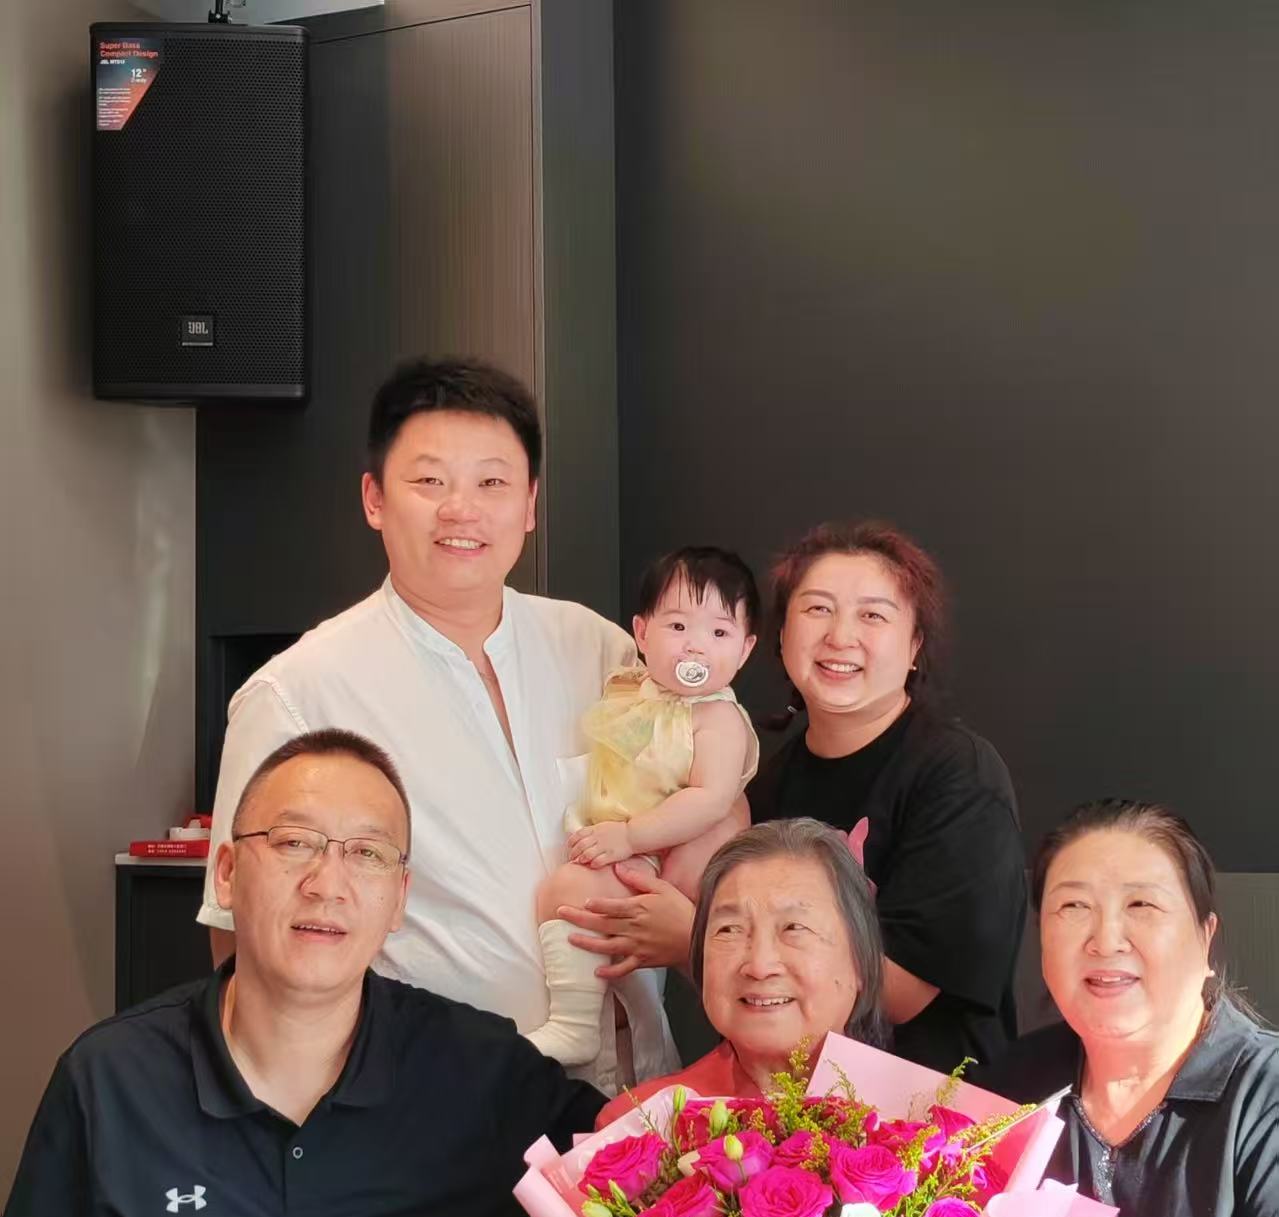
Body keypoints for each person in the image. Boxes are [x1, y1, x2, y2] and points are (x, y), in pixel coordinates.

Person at [0, 731, 606, 1217]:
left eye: (367, 854)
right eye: (294, 843)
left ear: (398, 899)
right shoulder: (112, 1078)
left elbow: (653, 1165)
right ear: (226, 873)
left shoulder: (479, 1071)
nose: (328, 883)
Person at [198, 356, 676, 1096]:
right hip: (437, 1098)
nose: (461, 510)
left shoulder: (601, 652)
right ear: (374, 498)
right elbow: (240, 934)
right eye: (429, 481)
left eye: (492, 483)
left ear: (529, 503)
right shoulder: (298, 692)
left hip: (640, 1090)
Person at [564, 521, 1027, 1072]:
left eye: (873, 616)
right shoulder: (762, 787)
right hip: (788, 1106)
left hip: (927, 1108)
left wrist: (691, 937)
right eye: (818, 609)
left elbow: (908, 993)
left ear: (914, 646)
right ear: (780, 637)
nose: (840, 636)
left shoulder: (957, 775)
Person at [969, 800, 1279, 1217]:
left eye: (1141, 905)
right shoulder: (1008, 1091)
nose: (1105, 938)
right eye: (1072, 906)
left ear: (1205, 937)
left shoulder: (1264, 1098)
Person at [530, 547, 760, 1067]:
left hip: (663, 854)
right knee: (559, 893)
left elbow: (710, 799)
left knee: (569, 892)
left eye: (719, 633)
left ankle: (576, 1024)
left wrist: (631, 836)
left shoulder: (717, 720)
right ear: (641, 633)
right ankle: (583, 1018)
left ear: (745, 649)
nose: (695, 646)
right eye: (678, 626)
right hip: (617, 837)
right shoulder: (631, 690)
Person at [598, 818, 887, 1127]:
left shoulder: (918, 1112)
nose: (759, 966)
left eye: (794, 927)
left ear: (860, 961)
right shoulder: (638, 1127)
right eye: (729, 929)